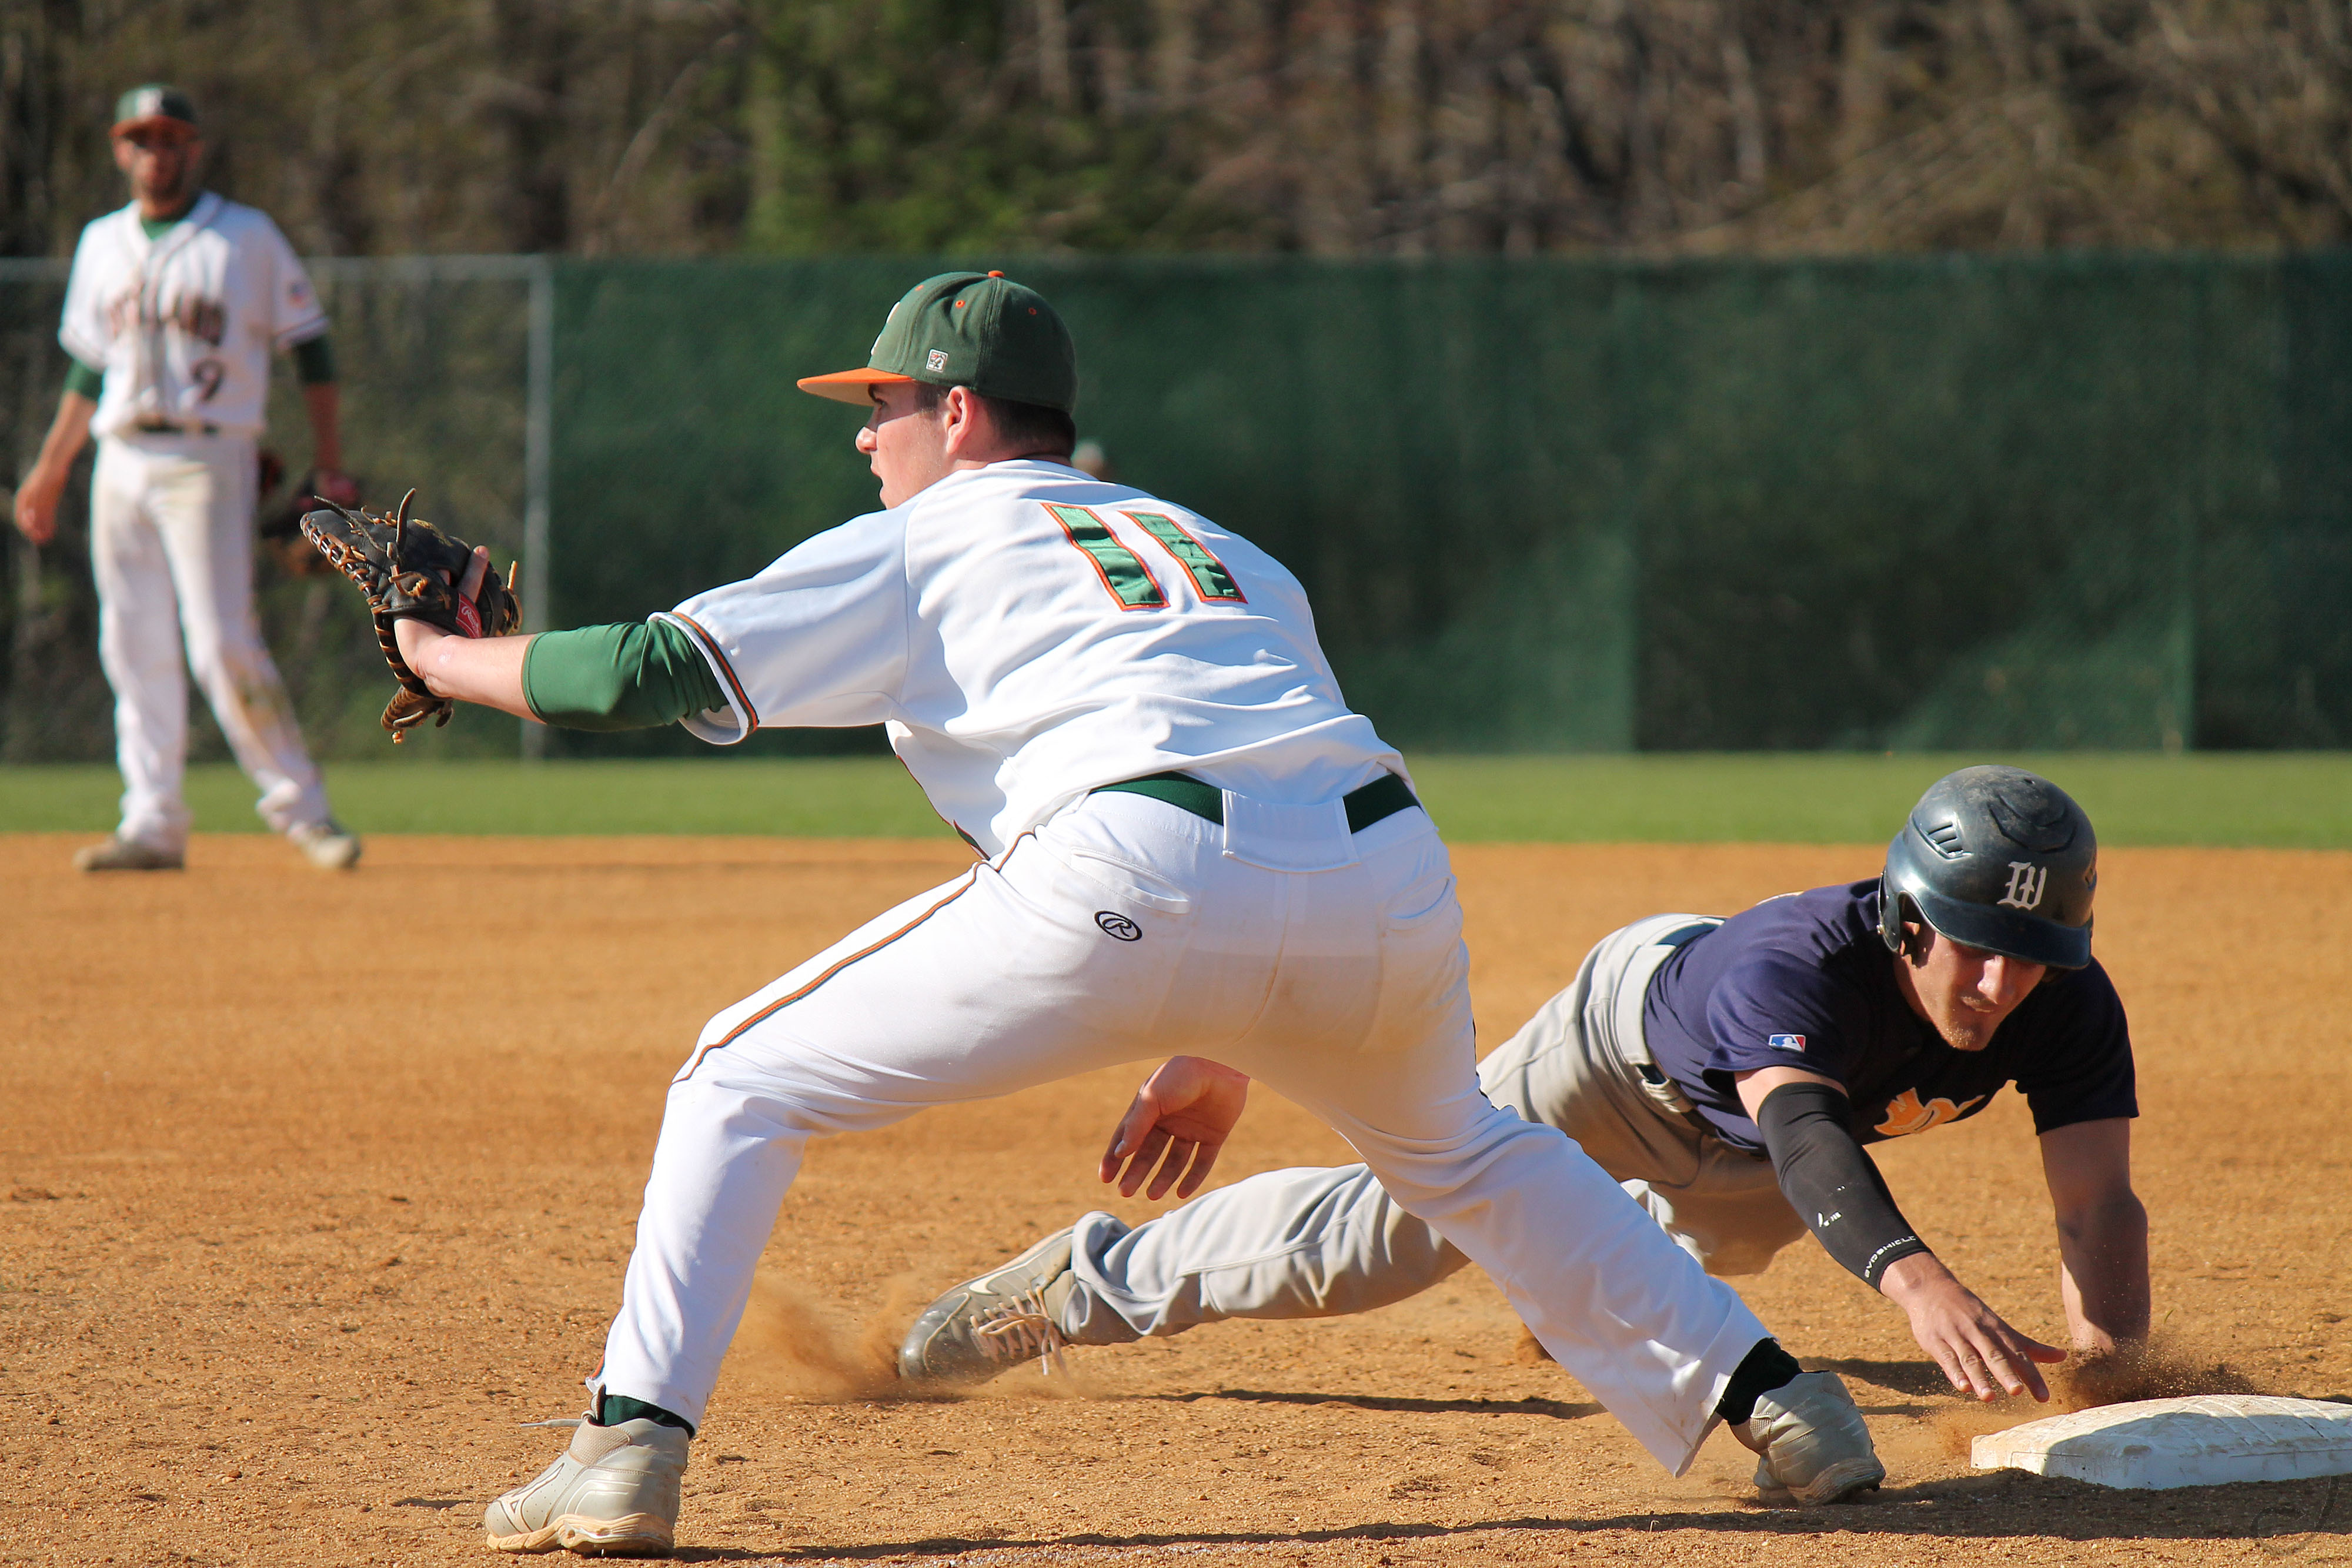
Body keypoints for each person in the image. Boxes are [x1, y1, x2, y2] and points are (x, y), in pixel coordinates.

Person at [372, 272, 1882, 1555]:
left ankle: (627, 1445)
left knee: (735, 1075)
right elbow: (1258, 760)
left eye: (884, 403)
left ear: (958, 411)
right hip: (1381, 869)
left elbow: (643, 669)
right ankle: (1780, 1401)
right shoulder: (1224, 549)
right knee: (1468, 1151)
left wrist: (442, 658)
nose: (864, 433)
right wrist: (1225, 1024)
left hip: (1135, 860)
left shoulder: (935, 533)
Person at [902, 765, 2147, 1411]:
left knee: (1718, 1246)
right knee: (1374, 1245)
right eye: (1972, 943)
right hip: (1617, 1060)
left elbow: (2096, 1202)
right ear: (1908, 915)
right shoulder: (1799, 966)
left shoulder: (2064, 1003)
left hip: (1757, 1157)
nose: (2000, 981)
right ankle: (1082, 1282)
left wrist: (2109, 1375)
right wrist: (1919, 1284)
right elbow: (1810, 1133)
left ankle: (1585, 1262)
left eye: (2031, 954)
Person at [12, 85, 362, 872]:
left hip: (211, 456)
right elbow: (89, 369)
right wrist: (51, 468)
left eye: (170, 137)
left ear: (194, 148)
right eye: (142, 138)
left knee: (222, 641)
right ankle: (153, 822)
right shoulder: (102, 242)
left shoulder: (246, 236)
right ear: (120, 149)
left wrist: (331, 462)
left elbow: (310, 345)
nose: (156, 151)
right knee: (130, 643)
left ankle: (305, 811)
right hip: (120, 456)